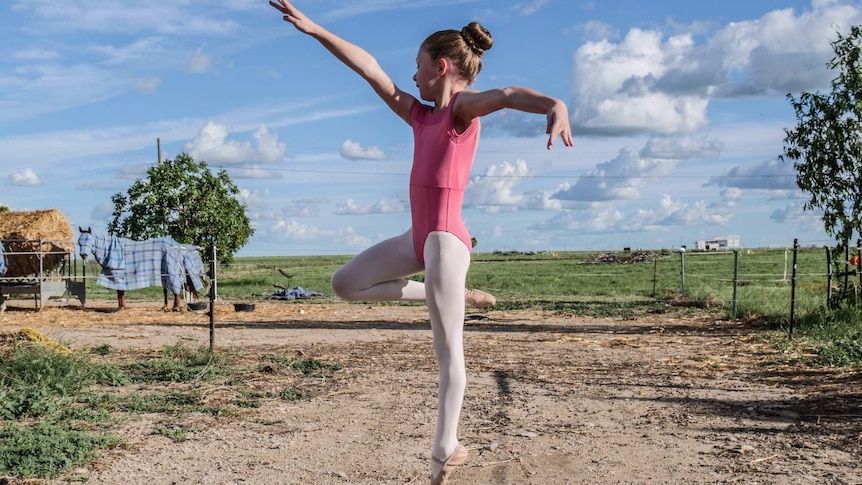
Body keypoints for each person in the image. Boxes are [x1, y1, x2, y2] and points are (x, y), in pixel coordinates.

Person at [268, 1, 574, 483]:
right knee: (345, 283)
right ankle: (456, 293)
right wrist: (315, 30)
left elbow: (510, 93)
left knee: (448, 350)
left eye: (417, 66)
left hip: (446, 240)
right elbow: (369, 68)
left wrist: (554, 105)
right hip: (417, 237)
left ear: (441, 67)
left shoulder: (460, 109)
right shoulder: (419, 115)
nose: (410, 75)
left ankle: (445, 448)